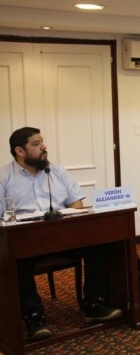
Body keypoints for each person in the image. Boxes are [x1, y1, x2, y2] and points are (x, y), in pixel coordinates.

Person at [0, 127, 123, 341]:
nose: (44, 147)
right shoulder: (4, 177)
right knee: (15, 259)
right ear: (20, 150)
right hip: (26, 241)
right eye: (36, 144)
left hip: (63, 237)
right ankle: (34, 316)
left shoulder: (56, 172)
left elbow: (76, 204)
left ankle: (93, 304)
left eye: (43, 142)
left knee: (100, 243)